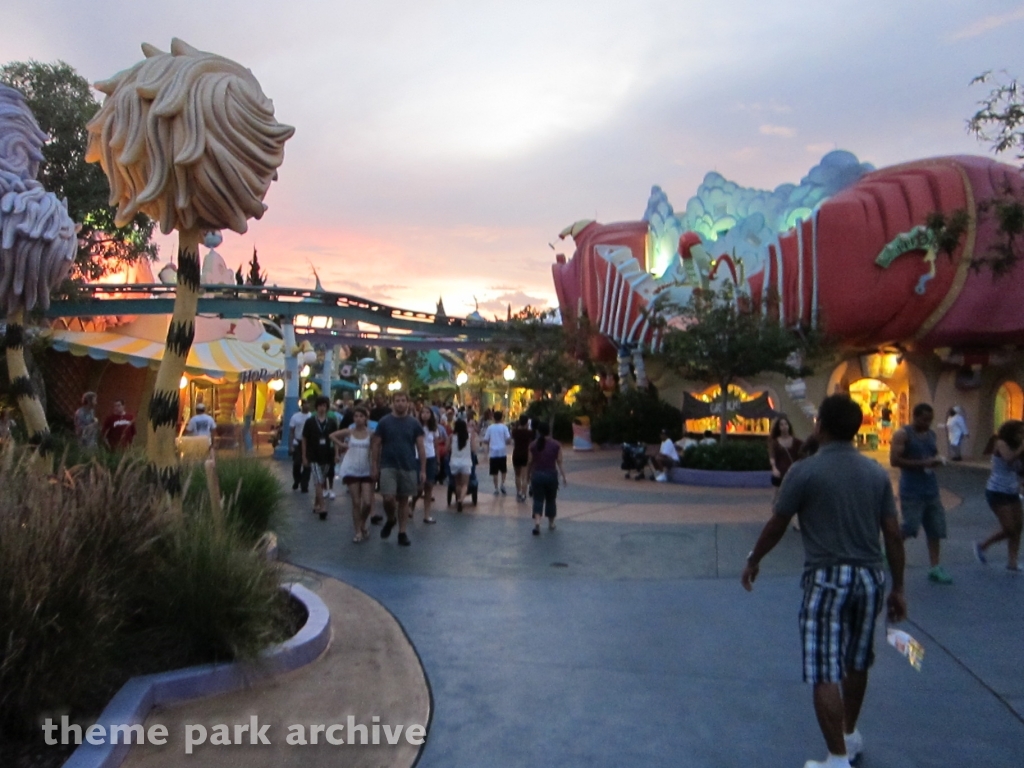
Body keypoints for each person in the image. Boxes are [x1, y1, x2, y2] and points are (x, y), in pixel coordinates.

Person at [741, 394, 906, 768]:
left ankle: (836, 757)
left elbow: (777, 523)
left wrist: (754, 559)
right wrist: (898, 586)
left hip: (827, 576)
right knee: (858, 661)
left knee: (824, 668)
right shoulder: (875, 473)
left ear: (820, 426)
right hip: (869, 577)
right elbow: (893, 534)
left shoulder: (805, 471)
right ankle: (849, 735)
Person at [891, 403, 952, 584]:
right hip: (912, 489)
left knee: (935, 529)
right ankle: (891, 546)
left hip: (931, 488)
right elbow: (895, 460)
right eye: (924, 419)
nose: (927, 423)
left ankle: (935, 567)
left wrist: (936, 460)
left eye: (930, 420)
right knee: (910, 526)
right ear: (915, 417)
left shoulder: (931, 435)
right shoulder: (903, 434)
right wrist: (923, 463)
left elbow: (932, 453)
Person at [371, 392, 426, 547]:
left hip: (408, 465)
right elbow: (376, 444)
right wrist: (374, 465)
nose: (400, 403)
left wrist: (422, 469)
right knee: (388, 498)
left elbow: (421, 447)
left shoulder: (414, 423)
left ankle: (402, 532)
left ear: (408, 403)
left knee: (403, 500)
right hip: (388, 465)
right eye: (397, 401)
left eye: (403, 400)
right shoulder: (384, 422)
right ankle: (390, 518)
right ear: (393, 403)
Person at [975, 419, 1023, 572]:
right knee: (1009, 528)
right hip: (997, 491)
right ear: (1011, 432)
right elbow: (1008, 459)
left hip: (1012, 491)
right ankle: (983, 546)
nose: (1022, 435)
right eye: (1020, 432)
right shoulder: (1000, 443)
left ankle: (1012, 561)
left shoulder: (1019, 449)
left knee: (1018, 526)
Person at [332, 406, 374, 542]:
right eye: (356, 416)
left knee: (367, 502)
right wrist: (341, 445)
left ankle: (362, 523)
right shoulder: (349, 432)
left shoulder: (371, 433)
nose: (358, 419)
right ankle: (357, 531)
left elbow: (375, 449)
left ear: (366, 418)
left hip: (366, 468)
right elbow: (332, 435)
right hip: (352, 467)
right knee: (356, 501)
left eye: (361, 416)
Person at [527, 422, 568, 535]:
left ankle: (537, 523)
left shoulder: (533, 445)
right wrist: (564, 476)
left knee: (538, 499)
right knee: (551, 499)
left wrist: (528, 476)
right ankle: (551, 523)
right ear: (549, 431)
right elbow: (559, 462)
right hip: (551, 475)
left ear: (539, 431)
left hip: (537, 475)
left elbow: (530, 462)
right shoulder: (556, 445)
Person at [302, 396, 339, 520]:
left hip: (327, 455)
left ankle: (317, 503)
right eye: (320, 406)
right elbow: (304, 439)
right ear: (316, 407)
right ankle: (323, 506)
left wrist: (337, 454)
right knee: (318, 481)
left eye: (324, 406)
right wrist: (304, 456)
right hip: (313, 455)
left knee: (322, 480)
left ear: (327, 407)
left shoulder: (332, 423)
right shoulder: (310, 422)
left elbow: (336, 440)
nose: (322, 408)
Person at [411, 406, 440, 524]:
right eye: (423, 412)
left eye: (427, 412)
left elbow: (436, 445)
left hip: (431, 457)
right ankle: (412, 504)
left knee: (429, 486)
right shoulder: (416, 427)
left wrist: (438, 461)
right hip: (418, 458)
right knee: (419, 487)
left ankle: (427, 515)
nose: (425, 415)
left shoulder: (433, 429)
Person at [448, 418, 478, 512]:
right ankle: (461, 500)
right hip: (466, 462)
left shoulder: (451, 437)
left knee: (457, 484)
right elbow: (473, 449)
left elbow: (447, 449)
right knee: (465, 484)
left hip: (454, 462)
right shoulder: (469, 436)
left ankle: (458, 499)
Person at [768, 415, 804, 488]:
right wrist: (774, 468)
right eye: (781, 425)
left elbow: (803, 455)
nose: (784, 427)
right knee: (778, 494)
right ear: (778, 428)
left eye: (786, 424)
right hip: (781, 474)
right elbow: (772, 457)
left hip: (794, 473)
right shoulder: (775, 443)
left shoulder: (797, 442)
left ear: (789, 426)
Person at [482, 410, 512, 495]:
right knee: (503, 470)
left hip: (493, 452)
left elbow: (485, 440)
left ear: (493, 418)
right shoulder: (504, 427)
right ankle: (502, 483)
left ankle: (496, 488)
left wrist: (491, 442)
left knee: (494, 471)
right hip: (502, 451)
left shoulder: (490, 428)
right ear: (502, 418)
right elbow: (508, 439)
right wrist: (505, 442)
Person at [288, 399, 312, 493]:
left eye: (308, 404)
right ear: (301, 406)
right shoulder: (295, 417)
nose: (307, 406)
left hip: (309, 443)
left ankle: (304, 484)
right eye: (305, 404)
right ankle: (297, 479)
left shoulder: (311, 416)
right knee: (297, 464)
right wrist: (291, 445)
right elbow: (291, 431)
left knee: (307, 465)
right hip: (298, 442)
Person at [511, 415, 534, 502]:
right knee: (525, 476)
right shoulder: (529, 433)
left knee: (517, 475)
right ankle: (524, 494)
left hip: (516, 453)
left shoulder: (515, 432)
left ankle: (518, 492)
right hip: (525, 454)